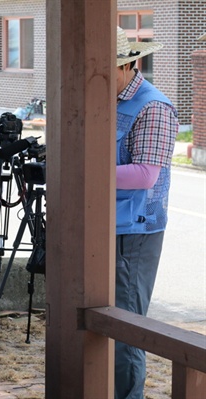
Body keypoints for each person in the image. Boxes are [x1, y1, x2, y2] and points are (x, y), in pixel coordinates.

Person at [114, 26, 179, 398]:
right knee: (107, 324)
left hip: (135, 232)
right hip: (111, 225)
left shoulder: (153, 106)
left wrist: (82, 171)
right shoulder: (108, 97)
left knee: (125, 330)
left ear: (129, 65)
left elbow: (144, 174)